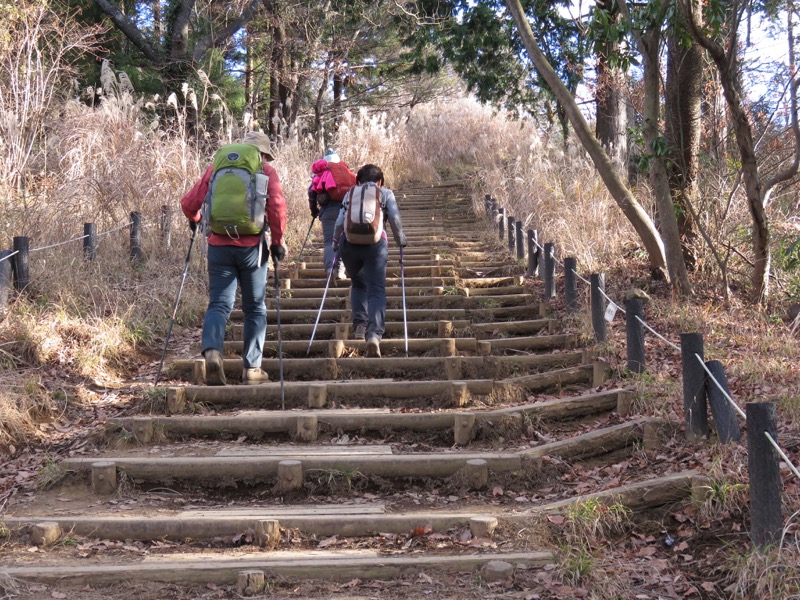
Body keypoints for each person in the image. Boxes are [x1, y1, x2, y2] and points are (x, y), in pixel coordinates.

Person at [181, 131, 287, 385]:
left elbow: (189, 203)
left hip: (218, 246)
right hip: (252, 248)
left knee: (219, 303)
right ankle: (252, 368)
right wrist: (277, 242)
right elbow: (277, 207)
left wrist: (196, 220)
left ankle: (213, 352)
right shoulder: (266, 171)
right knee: (254, 308)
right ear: (263, 153)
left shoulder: (216, 167)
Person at [333, 164, 407, 357]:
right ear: (380, 182)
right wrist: (401, 241)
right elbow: (395, 221)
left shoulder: (350, 194)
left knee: (358, 285)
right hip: (375, 246)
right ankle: (373, 335)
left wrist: (335, 243)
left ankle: (359, 327)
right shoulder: (385, 194)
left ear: (358, 181)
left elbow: (340, 222)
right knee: (376, 289)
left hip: (349, 246)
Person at [307, 149, 355, 280]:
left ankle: (330, 269)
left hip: (328, 211)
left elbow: (311, 193)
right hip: (347, 211)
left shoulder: (322, 173)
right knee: (345, 240)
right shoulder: (346, 173)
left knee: (329, 242)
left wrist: (314, 211)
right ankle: (342, 270)